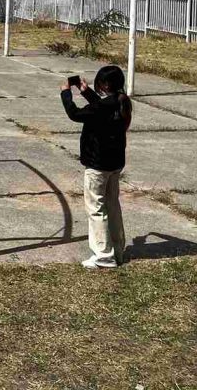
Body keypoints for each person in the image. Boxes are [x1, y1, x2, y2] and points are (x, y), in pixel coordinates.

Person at [60, 65, 132, 269]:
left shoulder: (103, 106)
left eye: (99, 83)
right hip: (115, 163)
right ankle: (117, 251)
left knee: (96, 208)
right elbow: (100, 108)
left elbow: (75, 114)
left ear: (105, 84)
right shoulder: (122, 101)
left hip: (97, 165)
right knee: (112, 206)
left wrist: (66, 93)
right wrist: (86, 92)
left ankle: (103, 255)